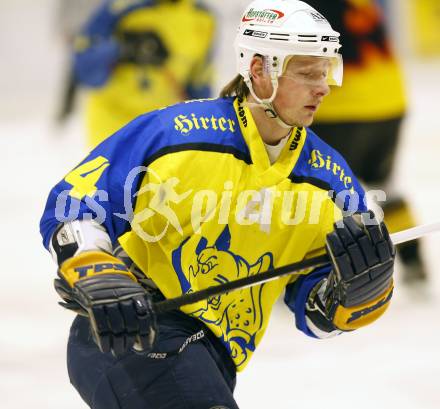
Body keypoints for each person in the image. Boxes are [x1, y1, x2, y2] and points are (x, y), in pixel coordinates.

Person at [40, 1, 396, 408]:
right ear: (260, 70)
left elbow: (317, 313)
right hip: (129, 332)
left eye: (327, 70)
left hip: (214, 355)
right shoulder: (173, 135)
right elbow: (73, 201)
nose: (324, 86)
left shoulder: (331, 178)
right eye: (308, 72)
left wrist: (357, 293)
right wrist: (91, 264)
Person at [306, 0, 427, 284]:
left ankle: (314, 269)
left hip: (343, 109)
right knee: (383, 183)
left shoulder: (311, 7)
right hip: (389, 100)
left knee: (319, 190)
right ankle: (413, 257)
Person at [72, 0, 216, 148]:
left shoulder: (203, 18)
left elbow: (200, 88)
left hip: (161, 130)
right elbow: (85, 69)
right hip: (111, 128)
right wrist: (123, 49)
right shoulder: (120, 6)